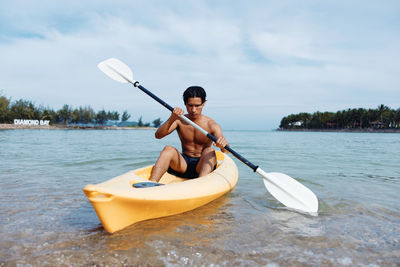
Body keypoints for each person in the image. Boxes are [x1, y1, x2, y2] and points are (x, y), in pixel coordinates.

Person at [149, 86, 229, 182]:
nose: (193, 110)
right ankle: (152, 183)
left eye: (197, 105)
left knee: (209, 151)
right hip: (183, 164)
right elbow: (158, 136)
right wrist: (172, 118)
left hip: (202, 166)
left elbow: (225, 150)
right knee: (168, 149)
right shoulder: (179, 120)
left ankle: (200, 184)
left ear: (204, 104)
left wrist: (222, 146)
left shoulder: (211, 125)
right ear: (185, 104)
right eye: (190, 105)